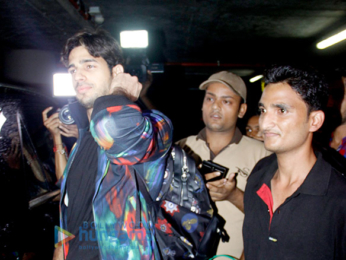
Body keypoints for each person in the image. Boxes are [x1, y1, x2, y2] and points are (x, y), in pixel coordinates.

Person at [53, 29, 173, 260]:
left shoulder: (154, 125)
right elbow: (71, 211)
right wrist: (59, 252)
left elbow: (118, 132)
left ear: (116, 72)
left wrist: (120, 92)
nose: (78, 76)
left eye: (89, 66)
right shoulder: (83, 140)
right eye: (73, 68)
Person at [243, 64, 346, 260]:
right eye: (263, 110)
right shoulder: (258, 176)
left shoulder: (339, 197)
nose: (264, 123)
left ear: (314, 121)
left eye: (281, 110)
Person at [176, 71, 270, 260]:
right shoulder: (180, 149)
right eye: (210, 99)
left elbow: (272, 214)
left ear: (242, 110)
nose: (215, 106)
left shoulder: (263, 155)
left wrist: (233, 196)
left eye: (226, 101)